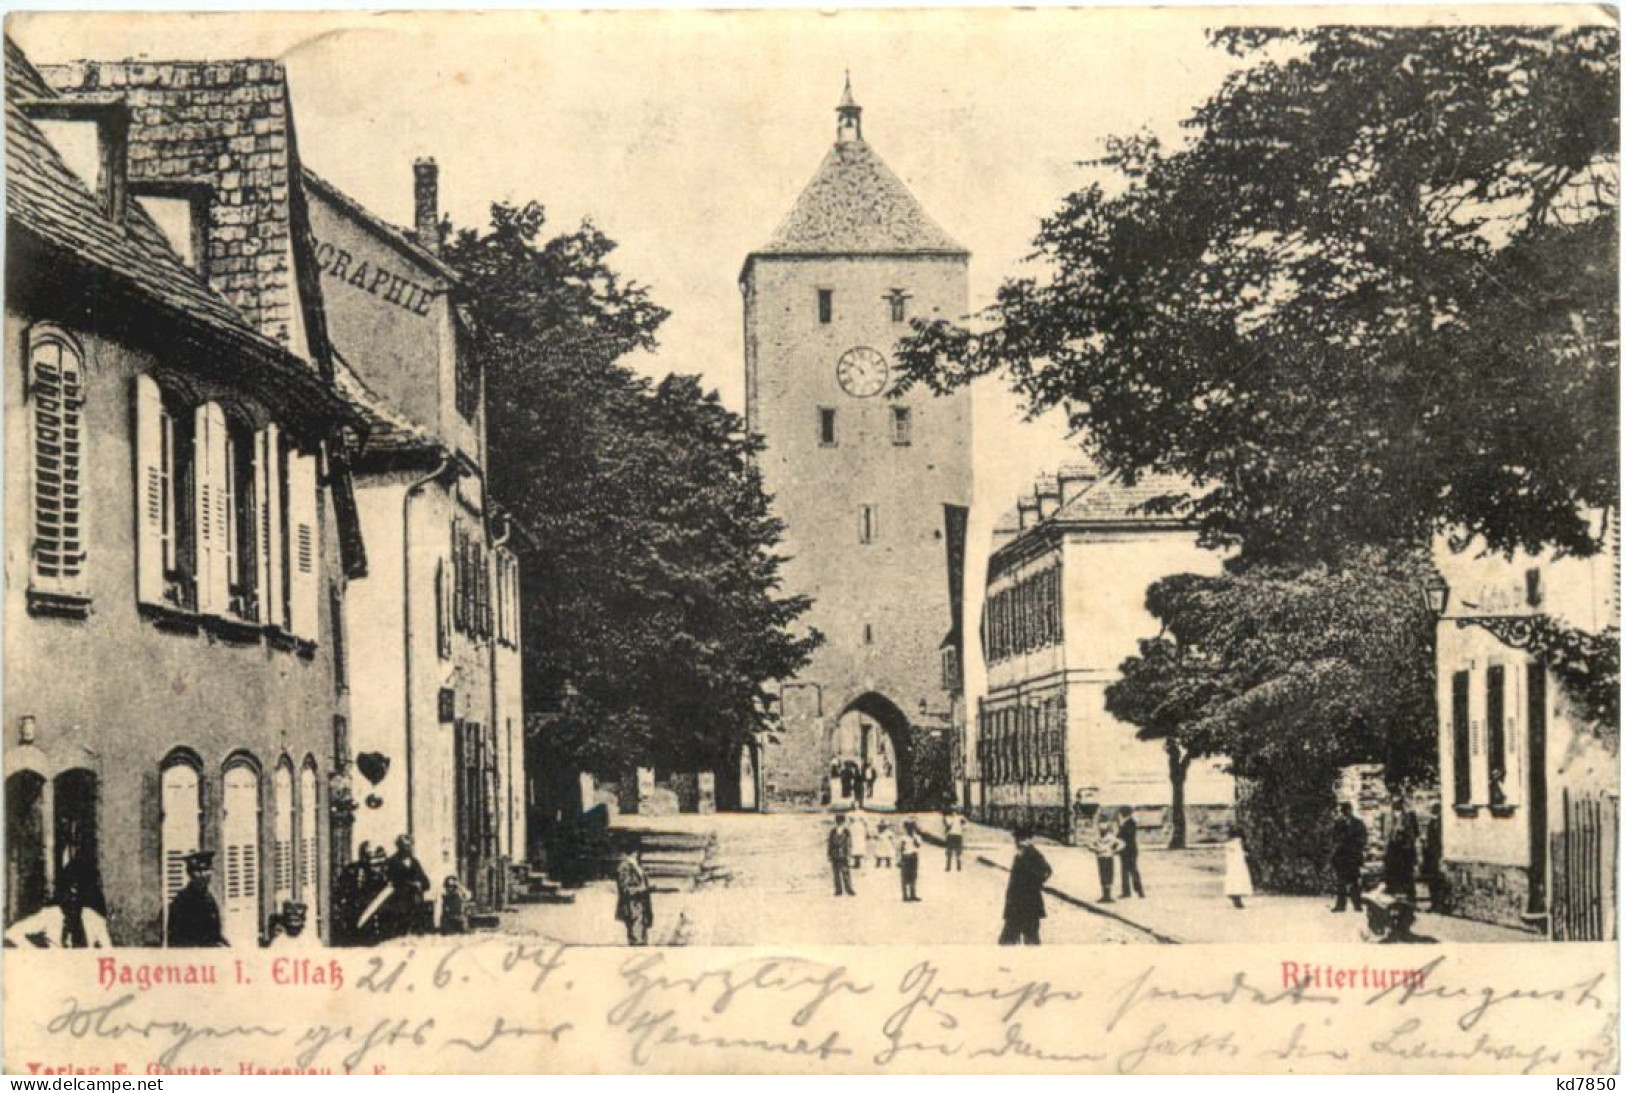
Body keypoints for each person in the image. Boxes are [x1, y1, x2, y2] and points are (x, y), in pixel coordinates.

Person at [4, 872, 111, 949]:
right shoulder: (50, 915)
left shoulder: (94, 919)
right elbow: (12, 933)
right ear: (61, 895)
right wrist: (36, 955)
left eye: (77, 895)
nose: (73, 899)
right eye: (68, 894)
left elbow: (109, 952)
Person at [999, 825, 1052, 944]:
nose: (1018, 842)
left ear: (1028, 840)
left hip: (1029, 904)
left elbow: (1047, 871)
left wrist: (1034, 884)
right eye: (1017, 839)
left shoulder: (1033, 854)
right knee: (1008, 940)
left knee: (1029, 939)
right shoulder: (1020, 855)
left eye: (1022, 839)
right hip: (1016, 905)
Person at [167, 851, 228, 947]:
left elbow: (214, 933)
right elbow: (177, 938)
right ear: (190, 874)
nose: (203, 875)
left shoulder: (209, 898)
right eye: (198, 871)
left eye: (207, 869)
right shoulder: (182, 901)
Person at [383, 834, 433, 938]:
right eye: (405, 845)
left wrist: (421, 884)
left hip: (415, 902)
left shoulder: (414, 862)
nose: (408, 848)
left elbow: (425, 881)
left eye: (410, 845)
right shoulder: (392, 862)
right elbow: (392, 881)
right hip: (400, 901)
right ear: (398, 846)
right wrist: (411, 884)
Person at [1329, 802, 1368, 913]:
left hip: (1353, 857)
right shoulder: (1339, 823)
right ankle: (1340, 905)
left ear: (1351, 810)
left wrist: (1356, 847)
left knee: (1354, 882)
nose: (1346, 813)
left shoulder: (1358, 823)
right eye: (1344, 811)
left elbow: (1363, 839)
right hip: (1342, 857)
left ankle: (1357, 905)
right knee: (1341, 882)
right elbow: (1334, 838)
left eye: (1347, 810)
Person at [615, 849, 654, 946]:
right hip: (632, 907)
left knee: (642, 938)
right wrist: (644, 889)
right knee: (637, 939)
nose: (640, 855)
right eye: (638, 852)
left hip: (641, 907)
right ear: (634, 852)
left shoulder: (637, 866)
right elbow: (626, 890)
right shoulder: (624, 867)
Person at [1383, 795, 1420, 899]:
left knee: (1407, 873)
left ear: (1402, 804)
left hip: (1405, 849)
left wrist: (1406, 836)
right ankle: (1393, 895)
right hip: (1392, 849)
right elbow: (1385, 833)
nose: (1396, 805)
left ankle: (1409, 897)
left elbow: (1416, 832)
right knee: (1392, 872)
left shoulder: (1410, 815)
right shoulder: (1387, 816)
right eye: (1394, 803)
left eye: (1398, 802)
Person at [1091, 814, 1123, 903]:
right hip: (1101, 857)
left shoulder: (1111, 837)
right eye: (1101, 829)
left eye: (1104, 829)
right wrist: (1096, 849)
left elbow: (1120, 844)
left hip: (1108, 857)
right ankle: (1104, 895)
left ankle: (1108, 895)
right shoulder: (1097, 838)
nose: (1102, 830)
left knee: (1109, 875)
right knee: (1103, 875)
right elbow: (1090, 844)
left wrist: (1114, 850)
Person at [1116, 807, 1145, 898]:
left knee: (1132, 870)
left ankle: (1139, 891)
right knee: (1125, 871)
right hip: (1126, 850)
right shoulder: (1128, 822)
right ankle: (1127, 891)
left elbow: (1126, 835)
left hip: (1129, 850)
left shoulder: (1130, 822)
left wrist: (1121, 827)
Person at [1420, 802, 1444, 911]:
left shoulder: (1441, 823)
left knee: (1437, 881)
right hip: (1430, 856)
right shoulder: (1432, 822)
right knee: (1431, 880)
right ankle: (1434, 903)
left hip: (1437, 855)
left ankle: (1438, 904)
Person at [1223, 825, 1253, 909]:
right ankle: (1237, 898)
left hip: (1232, 866)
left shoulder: (1228, 843)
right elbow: (1243, 854)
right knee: (1239, 880)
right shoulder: (1239, 843)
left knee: (1233, 880)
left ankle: (1235, 897)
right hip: (1239, 865)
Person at [827, 813, 855, 896]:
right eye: (838, 821)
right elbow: (830, 843)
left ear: (843, 822)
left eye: (841, 821)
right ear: (836, 821)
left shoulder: (846, 831)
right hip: (835, 854)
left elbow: (849, 844)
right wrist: (829, 854)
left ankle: (849, 889)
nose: (839, 823)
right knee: (836, 873)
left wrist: (849, 854)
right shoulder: (833, 831)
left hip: (844, 854)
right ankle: (838, 890)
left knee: (845, 872)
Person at [898, 820, 923, 902]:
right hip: (906, 857)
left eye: (912, 828)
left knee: (913, 877)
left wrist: (914, 837)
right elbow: (900, 849)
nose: (910, 829)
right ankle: (905, 896)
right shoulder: (903, 838)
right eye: (909, 828)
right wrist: (899, 859)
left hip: (914, 857)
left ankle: (913, 895)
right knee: (905, 877)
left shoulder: (917, 837)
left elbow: (918, 845)